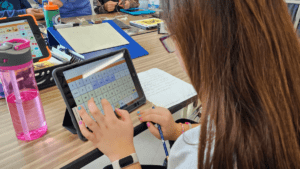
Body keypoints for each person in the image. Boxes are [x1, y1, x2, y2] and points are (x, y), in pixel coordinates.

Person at [76, 0, 300, 168]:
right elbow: (232, 130)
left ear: (202, 51)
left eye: (173, 38)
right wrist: (178, 130)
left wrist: (122, 154)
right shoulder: (277, 94)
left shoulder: (202, 159)